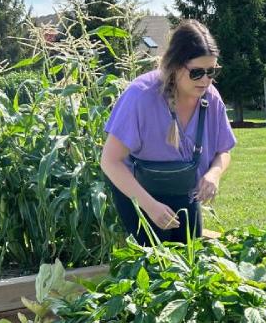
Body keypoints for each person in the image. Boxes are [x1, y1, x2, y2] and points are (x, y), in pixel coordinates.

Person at [101, 19, 236, 244]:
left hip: (184, 190)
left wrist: (214, 174)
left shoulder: (211, 99)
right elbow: (110, 161)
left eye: (212, 71)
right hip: (139, 192)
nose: (205, 80)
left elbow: (224, 151)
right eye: (196, 73)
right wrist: (150, 206)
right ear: (174, 66)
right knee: (153, 265)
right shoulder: (140, 96)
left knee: (190, 260)